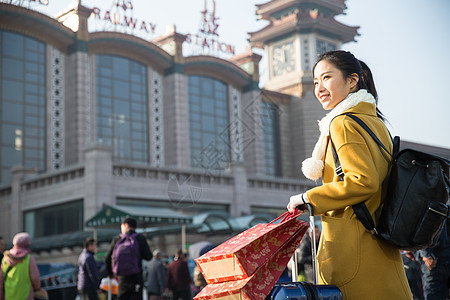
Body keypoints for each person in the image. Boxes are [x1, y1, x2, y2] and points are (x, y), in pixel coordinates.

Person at [287, 50, 412, 299]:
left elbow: (362, 181)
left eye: (326, 77)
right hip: (380, 243)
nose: (319, 87)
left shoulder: (342, 122)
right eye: (315, 82)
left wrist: (307, 198)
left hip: (352, 249)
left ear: (352, 80)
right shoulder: (374, 121)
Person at [105, 217, 152, 300]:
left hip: (122, 278)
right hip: (136, 277)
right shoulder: (140, 238)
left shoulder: (117, 239)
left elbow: (107, 258)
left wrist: (110, 274)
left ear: (126, 225)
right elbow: (148, 257)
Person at [0, 232, 41, 300]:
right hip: (25, 296)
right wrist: (37, 289)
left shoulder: (6, 258)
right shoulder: (28, 258)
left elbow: (1, 280)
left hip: (9, 296)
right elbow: (35, 279)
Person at [417, 222, 449, 300]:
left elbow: (429, 220)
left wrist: (425, 253)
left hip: (435, 258)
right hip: (442, 255)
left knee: (434, 294)